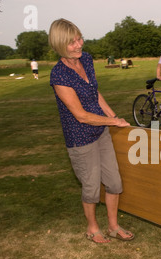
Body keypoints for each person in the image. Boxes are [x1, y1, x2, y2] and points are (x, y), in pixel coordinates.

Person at [48, 18, 134, 243]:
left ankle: (113, 227)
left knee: (114, 182)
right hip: (80, 138)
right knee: (91, 187)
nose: (79, 45)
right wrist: (112, 122)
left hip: (100, 131)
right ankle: (92, 228)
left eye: (79, 38)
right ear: (59, 45)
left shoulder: (85, 59)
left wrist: (114, 117)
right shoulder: (59, 75)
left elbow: (95, 93)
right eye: (72, 42)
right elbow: (81, 115)